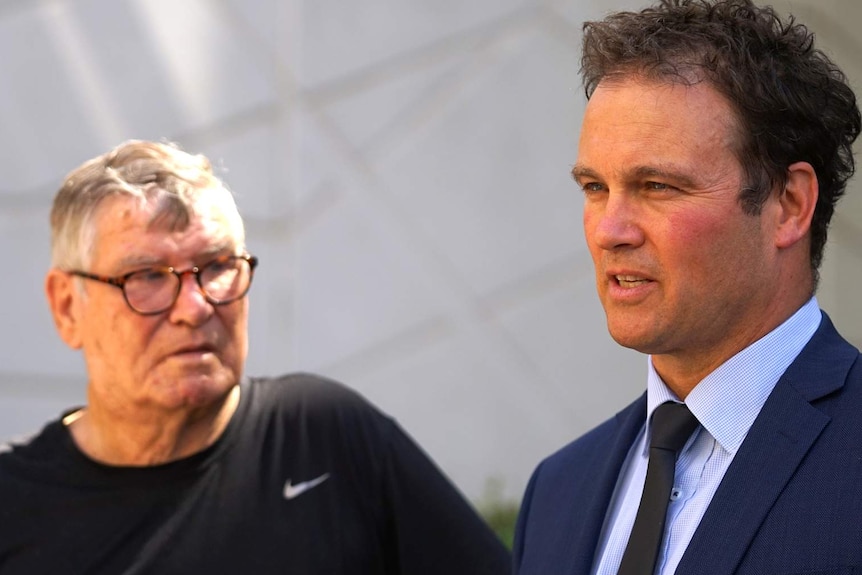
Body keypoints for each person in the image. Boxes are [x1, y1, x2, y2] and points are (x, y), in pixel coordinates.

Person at [0, 140, 510, 575]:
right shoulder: (15, 503)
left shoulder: (325, 437)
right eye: (149, 276)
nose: (195, 307)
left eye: (217, 265)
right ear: (68, 307)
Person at [514, 0, 862, 574]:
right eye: (595, 187)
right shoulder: (558, 491)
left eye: (657, 186)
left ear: (789, 205)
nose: (610, 231)